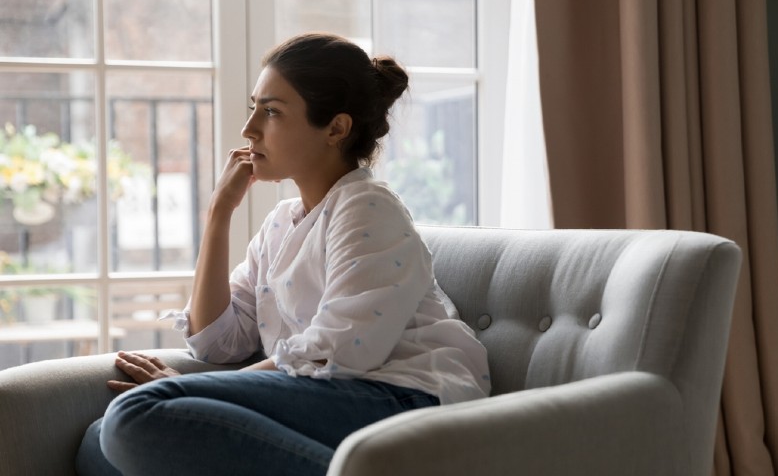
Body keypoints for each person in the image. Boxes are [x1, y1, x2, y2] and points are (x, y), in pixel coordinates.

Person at [75, 33, 490, 476]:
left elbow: (341, 349)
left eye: (271, 111)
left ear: (336, 129)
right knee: (96, 443)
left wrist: (194, 390)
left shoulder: (367, 207)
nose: (249, 128)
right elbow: (217, 341)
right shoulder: (281, 222)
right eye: (254, 107)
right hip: (326, 393)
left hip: (402, 397)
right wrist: (219, 212)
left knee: (131, 418)